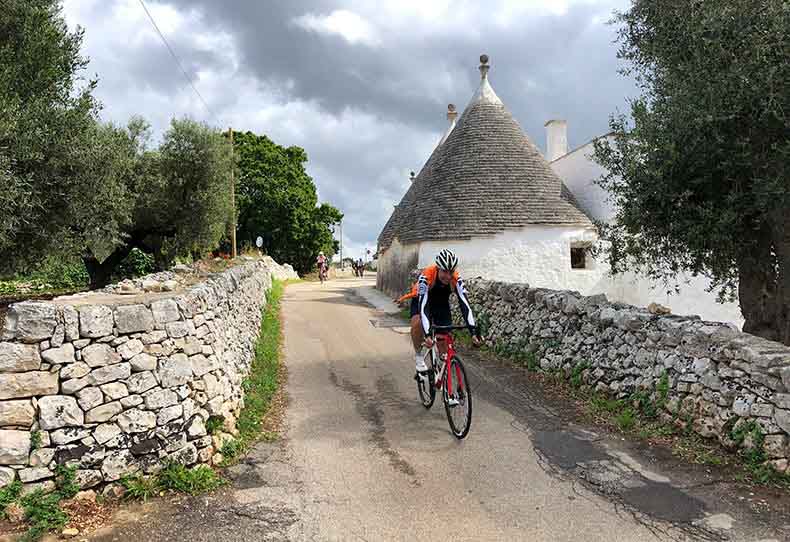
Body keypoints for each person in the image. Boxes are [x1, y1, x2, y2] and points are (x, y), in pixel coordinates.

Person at [396, 249, 481, 375]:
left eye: (451, 272)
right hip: (422, 300)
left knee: (444, 342)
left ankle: (442, 375)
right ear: (438, 268)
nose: (448, 276)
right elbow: (423, 305)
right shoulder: (427, 276)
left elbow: (465, 305)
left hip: (441, 304)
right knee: (418, 322)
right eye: (444, 272)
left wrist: (473, 331)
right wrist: (427, 334)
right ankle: (419, 356)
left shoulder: (456, 279)